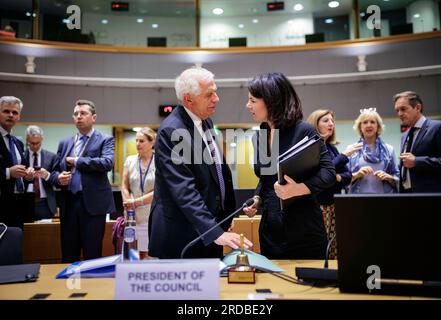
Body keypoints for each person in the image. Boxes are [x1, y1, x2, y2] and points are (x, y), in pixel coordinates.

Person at [148, 66, 252, 259]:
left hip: (208, 228)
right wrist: (213, 231)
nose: (216, 99)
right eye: (209, 94)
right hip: (182, 236)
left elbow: (216, 173)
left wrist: (226, 216)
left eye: (215, 92)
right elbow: (184, 190)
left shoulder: (206, 121)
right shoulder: (172, 131)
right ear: (189, 99)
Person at [243, 73, 336, 260]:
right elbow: (267, 178)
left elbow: (328, 173)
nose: (248, 105)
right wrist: (257, 198)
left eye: (252, 100)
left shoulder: (304, 131)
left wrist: (298, 189)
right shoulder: (260, 135)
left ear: (271, 101)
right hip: (271, 232)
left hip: (304, 231)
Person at [50, 100, 115, 262]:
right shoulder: (65, 142)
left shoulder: (105, 139)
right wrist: (59, 178)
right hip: (69, 202)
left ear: (93, 117)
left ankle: (92, 287)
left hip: (93, 204)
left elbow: (107, 163)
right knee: (68, 252)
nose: (79, 117)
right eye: (76, 114)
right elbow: (56, 169)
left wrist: (78, 161)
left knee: (92, 253)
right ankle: (68, 287)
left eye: (83, 113)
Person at [306, 109, 361, 259]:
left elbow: (348, 175)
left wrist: (335, 177)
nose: (331, 124)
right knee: (322, 246)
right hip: (319, 206)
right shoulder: (311, 148)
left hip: (333, 204)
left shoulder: (331, 147)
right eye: (325, 121)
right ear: (315, 124)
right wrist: (344, 156)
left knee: (334, 246)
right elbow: (320, 174)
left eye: (332, 121)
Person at [121, 127, 156, 259]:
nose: (137, 144)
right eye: (136, 140)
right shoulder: (130, 160)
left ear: (152, 143)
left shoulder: (159, 162)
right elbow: (124, 185)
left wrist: (136, 202)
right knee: (133, 254)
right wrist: (127, 203)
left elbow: (159, 191)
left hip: (151, 214)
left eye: (141, 141)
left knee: (150, 255)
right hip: (132, 215)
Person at [348, 108, 399, 194]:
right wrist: (357, 175)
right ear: (360, 127)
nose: (369, 125)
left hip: (384, 200)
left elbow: (398, 178)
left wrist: (388, 177)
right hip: (357, 200)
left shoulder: (389, 149)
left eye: (372, 122)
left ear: (378, 126)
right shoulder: (352, 150)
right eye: (365, 122)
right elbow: (344, 179)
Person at [0, 96, 29, 229]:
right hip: (2, 203)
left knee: (15, 245)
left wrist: (27, 175)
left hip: (18, 203)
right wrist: (8, 172)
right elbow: (11, 172)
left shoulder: (17, 143)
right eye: (6, 111)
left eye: (15, 112)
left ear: (19, 117)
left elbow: (22, 170)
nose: (11, 115)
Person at [24, 125, 59, 220]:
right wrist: (25, 177)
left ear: (42, 139)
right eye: (31, 143)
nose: (35, 146)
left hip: (46, 203)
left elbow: (58, 181)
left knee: (46, 233)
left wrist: (47, 175)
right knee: (26, 233)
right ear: (27, 139)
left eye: (38, 143)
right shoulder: (21, 157)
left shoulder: (52, 157)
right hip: (25, 202)